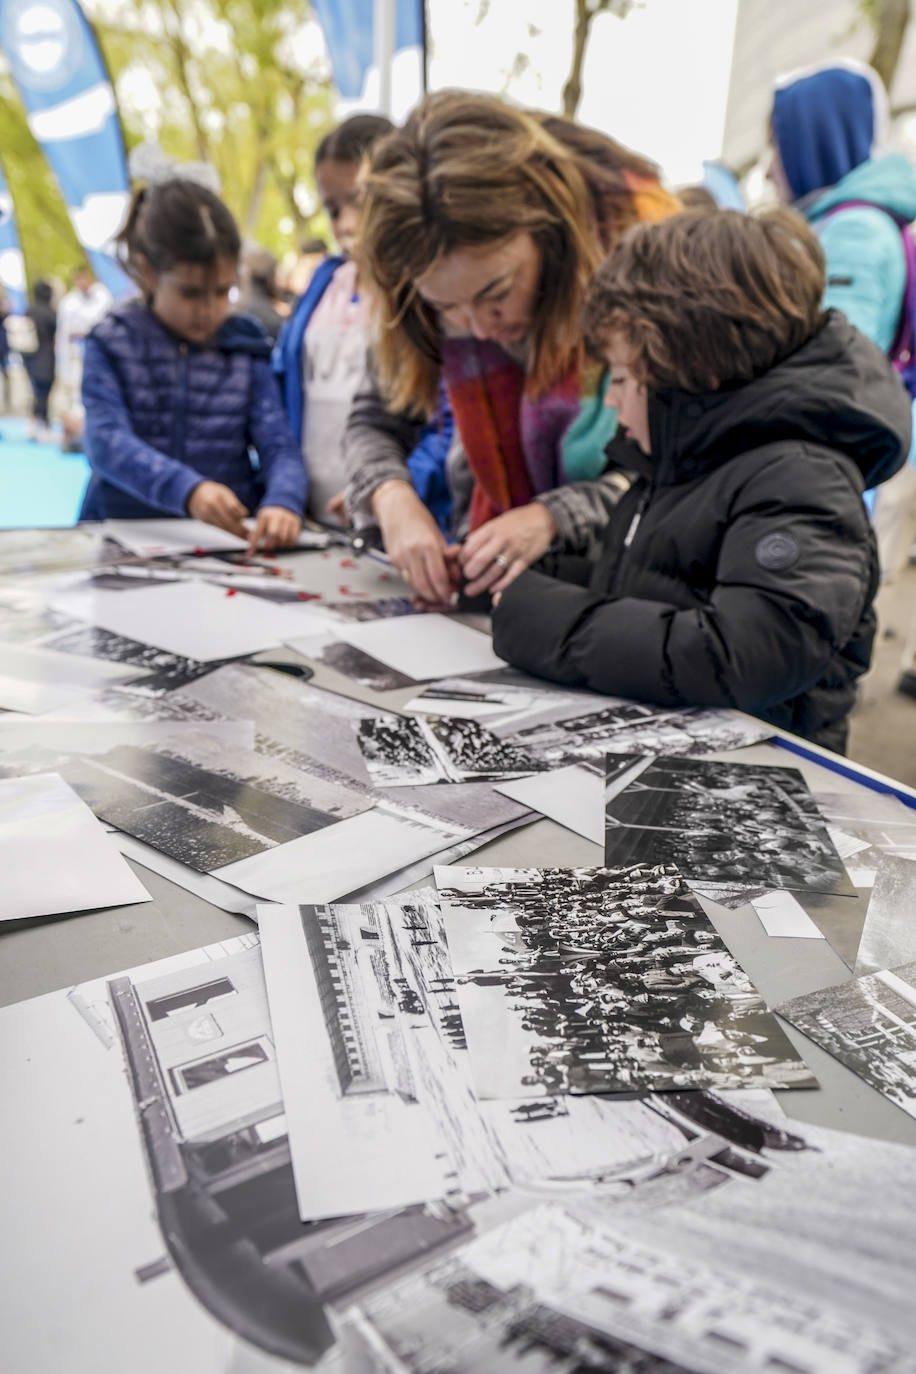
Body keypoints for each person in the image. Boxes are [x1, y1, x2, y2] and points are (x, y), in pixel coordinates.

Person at [490, 209, 911, 753]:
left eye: (621, 378)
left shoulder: (803, 478)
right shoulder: (684, 455)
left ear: (691, 369)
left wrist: (546, 620)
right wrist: (540, 575)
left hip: (757, 780)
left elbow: (743, 654)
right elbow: (659, 582)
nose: (611, 401)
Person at [344, 89, 680, 605]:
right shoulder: (415, 274)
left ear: (548, 232)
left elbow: (676, 472)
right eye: (446, 308)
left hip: (629, 592)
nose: (477, 328)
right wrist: (391, 498)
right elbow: (374, 417)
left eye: (495, 293)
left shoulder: (650, 263)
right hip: (498, 586)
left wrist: (553, 516)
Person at [768, 59, 916, 697]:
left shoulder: (852, 230)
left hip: (829, 488)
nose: (772, 165)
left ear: (811, 138)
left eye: (778, 143)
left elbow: (828, 382)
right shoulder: (845, 219)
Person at [80, 177, 305, 552]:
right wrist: (187, 490)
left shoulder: (244, 344)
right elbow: (105, 442)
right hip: (124, 537)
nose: (208, 309)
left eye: (222, 292)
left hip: (223, 542)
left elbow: (278, 444)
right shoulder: (112, 341)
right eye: (190, 292)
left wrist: (284, 499)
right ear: (148, 272)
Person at [274, 113, 453, 529]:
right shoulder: (322, 283)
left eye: (359, 201)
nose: (346, 223)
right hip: (314, 520)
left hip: (403, 522)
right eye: (332, 208)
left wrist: (388, 489)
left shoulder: (429, 290)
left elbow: (449, 417)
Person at [55, 265, 112, 452]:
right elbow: (63, 332)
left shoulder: (104, 298)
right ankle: (75, 437)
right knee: (75, 394)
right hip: (75, 356)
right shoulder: (69, 302)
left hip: (99, 356)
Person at [24, 279, 56, 441]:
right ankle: (43, 424)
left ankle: (32, 424)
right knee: (44, 390)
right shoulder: (49, 312)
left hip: (29, 356)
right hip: (46, 355)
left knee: (36, 390)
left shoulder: (29, 310)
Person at [237, 244, 285, 343]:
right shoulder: (275, 322)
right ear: (269, 277)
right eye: (277, 274)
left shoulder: (238, 306)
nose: (280, 282)